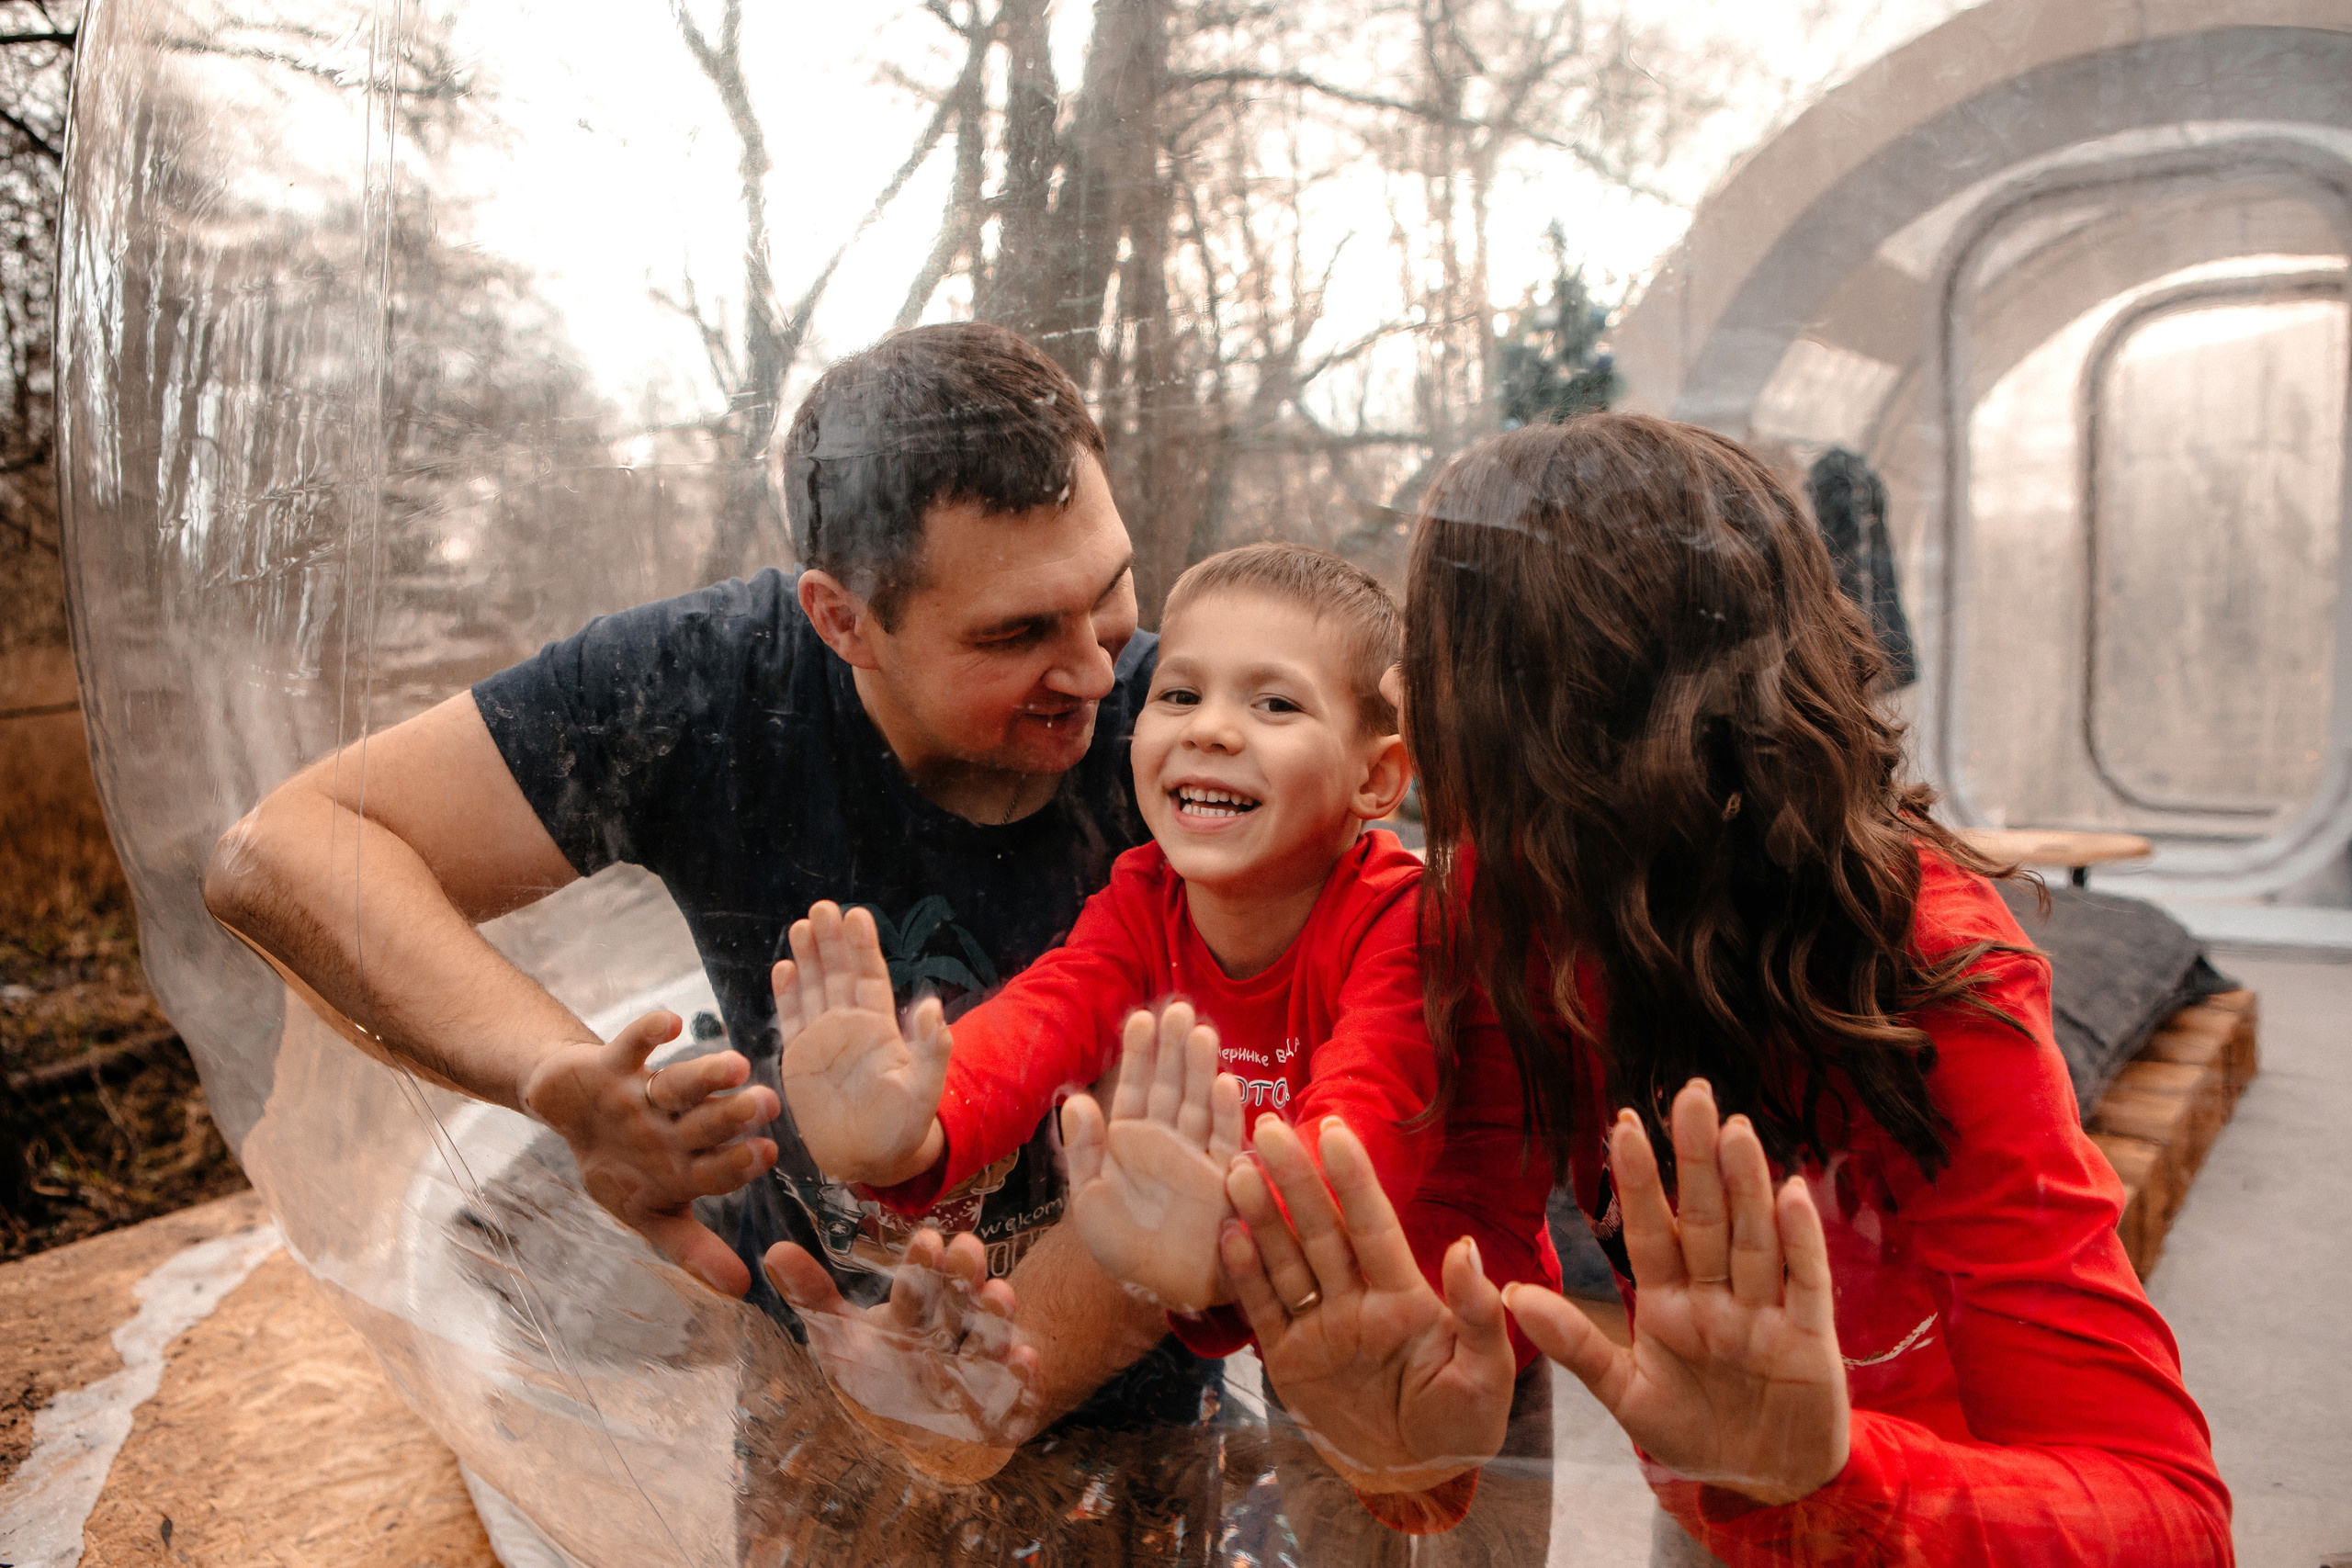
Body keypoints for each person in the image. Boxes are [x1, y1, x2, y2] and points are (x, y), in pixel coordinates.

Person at [1217, 412, 2233, 1566]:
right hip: (1718, 1469)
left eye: (1442, 645)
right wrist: (1409, 1456)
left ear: (1561, 710)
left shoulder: (1920, 973)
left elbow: (2168, 1517)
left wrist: (1832, 1475)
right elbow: (1460, 1310)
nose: (1402, 681)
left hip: (1931, 1508)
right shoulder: (1501, 911)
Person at [200, 322, 1204, 1476]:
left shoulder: (1184, 737)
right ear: (842, 621)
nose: (1093, 665)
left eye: (1111, 586)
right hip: (819, 1394)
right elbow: (283, 851)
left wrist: (970, 1397)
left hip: (1140, 1424)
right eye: (1018, 632)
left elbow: (1261, 1129)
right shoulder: (711, 686)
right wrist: (555, 1078)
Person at [766, 543, 1560, 1374]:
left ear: (1378, 778)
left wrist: (1235, 1235)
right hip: (1303, 1323)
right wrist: (918, 1122)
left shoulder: (1402, 918)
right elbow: (1046, 1014)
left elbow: (1372, 1105)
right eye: (1179, 693)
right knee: (1315, 1483)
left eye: (1276, 705)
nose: (1210, 728)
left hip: (1466, 1331)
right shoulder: (1144, 898)